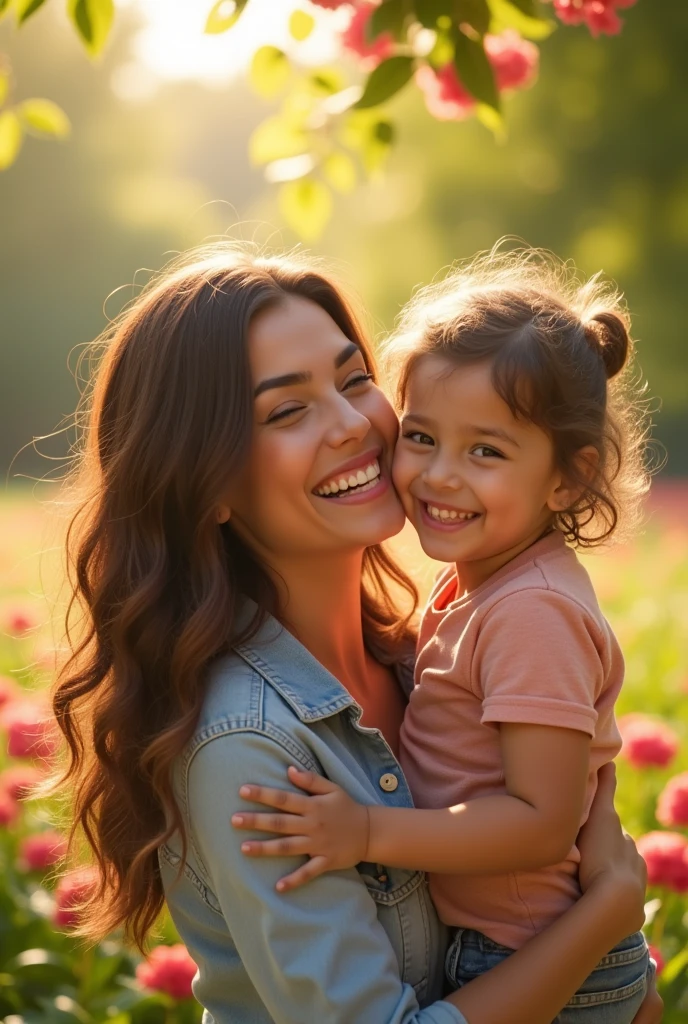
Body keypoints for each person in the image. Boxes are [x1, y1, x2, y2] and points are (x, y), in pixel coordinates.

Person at [50, 245, 661, 1024]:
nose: (354, 426)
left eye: (354, 381)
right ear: (207, 485)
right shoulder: (247, 744)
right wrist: (607, 915)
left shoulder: (420, 649)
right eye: (287, 410)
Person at [230, 249, 654, 1022]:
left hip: (536, 956)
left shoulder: (532, 611)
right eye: (421, 436)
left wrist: (364, 829)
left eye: (486, 451)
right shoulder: (482, 586)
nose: (439, 476)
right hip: (517, 943)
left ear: (566, 478)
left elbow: (541, 822)